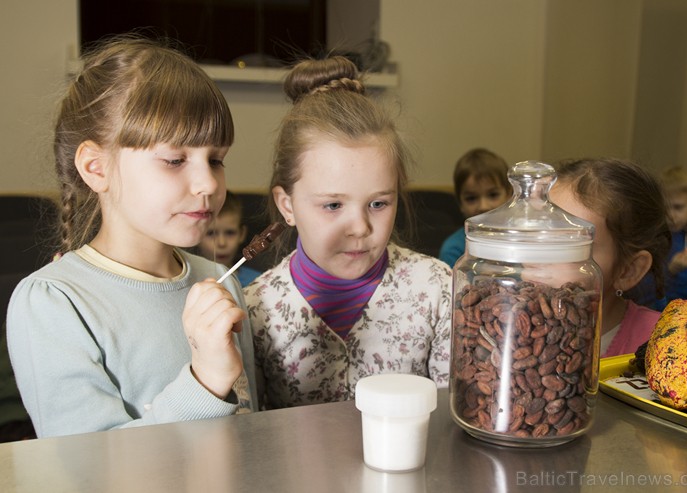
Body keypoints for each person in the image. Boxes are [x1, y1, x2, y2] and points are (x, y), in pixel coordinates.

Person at [6, 36, 257, 438]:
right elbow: (88, 468)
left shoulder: (218, 278)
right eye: (175, 160)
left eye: (216, 159)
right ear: (96, 167)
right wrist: (205, 381)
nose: (208, 181)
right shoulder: (54, 304)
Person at [243, 56, 452, 410]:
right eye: (333, 206)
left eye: (378, 204)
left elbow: (455, 418)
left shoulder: (437, 289)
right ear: (287, 205)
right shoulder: (255, 309)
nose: (359, 228)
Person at [549, 158, 671, 358]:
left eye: (570, 247)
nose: (538, 259)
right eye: (533, 237)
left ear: (628, 270)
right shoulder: (503, 325)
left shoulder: (662, 345)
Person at [439, 148, 512, 268]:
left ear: (509, 195)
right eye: (471, 198)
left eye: (493, 195)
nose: (483, 206)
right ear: (460, 203)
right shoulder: (453, 250)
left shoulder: (521, 241)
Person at [654, 166, 687, 310]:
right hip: (660, 311)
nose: (671, 216)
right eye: (665, 208)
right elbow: (645, 292)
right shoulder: (654, 236)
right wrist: (670, 270)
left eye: (678, 207)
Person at [197, 190, 261, 286]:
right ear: (197, 234)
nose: (222, 243)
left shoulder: (257, 282)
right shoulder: (190, 282)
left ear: (241, 234)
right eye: (211, 233)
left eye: (230, 233)